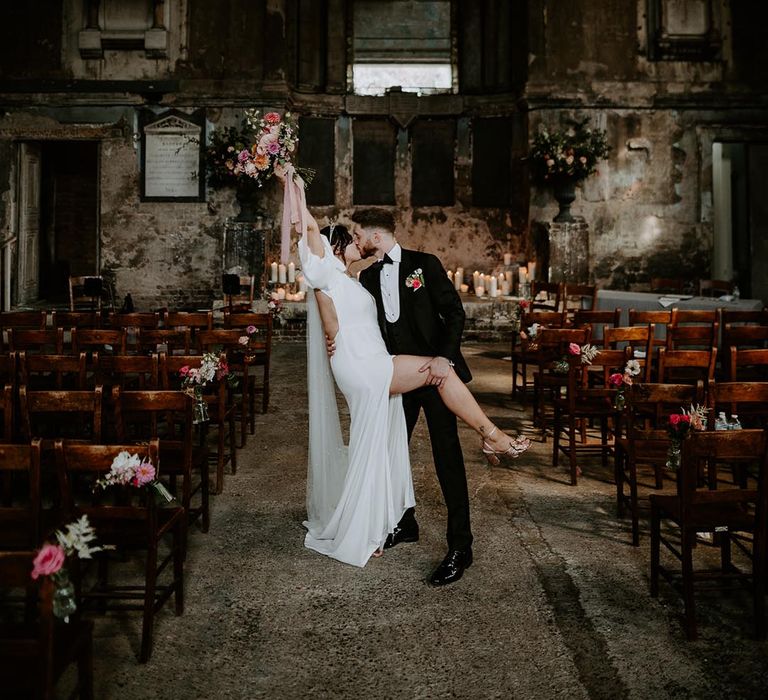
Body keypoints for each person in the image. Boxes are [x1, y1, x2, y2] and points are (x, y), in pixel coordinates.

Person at [277, 167, 529, 580]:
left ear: (376, 236)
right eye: (351, 239)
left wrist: (445, 356)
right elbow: (330, 291)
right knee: (390, 452)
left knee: (446, 459)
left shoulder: (423, 265)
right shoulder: (364, 276)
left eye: (361, 235)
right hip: (386, 372)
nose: (357, 241)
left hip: (426, 371)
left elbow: (455, 314)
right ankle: (402, 521)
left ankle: (459, 547)